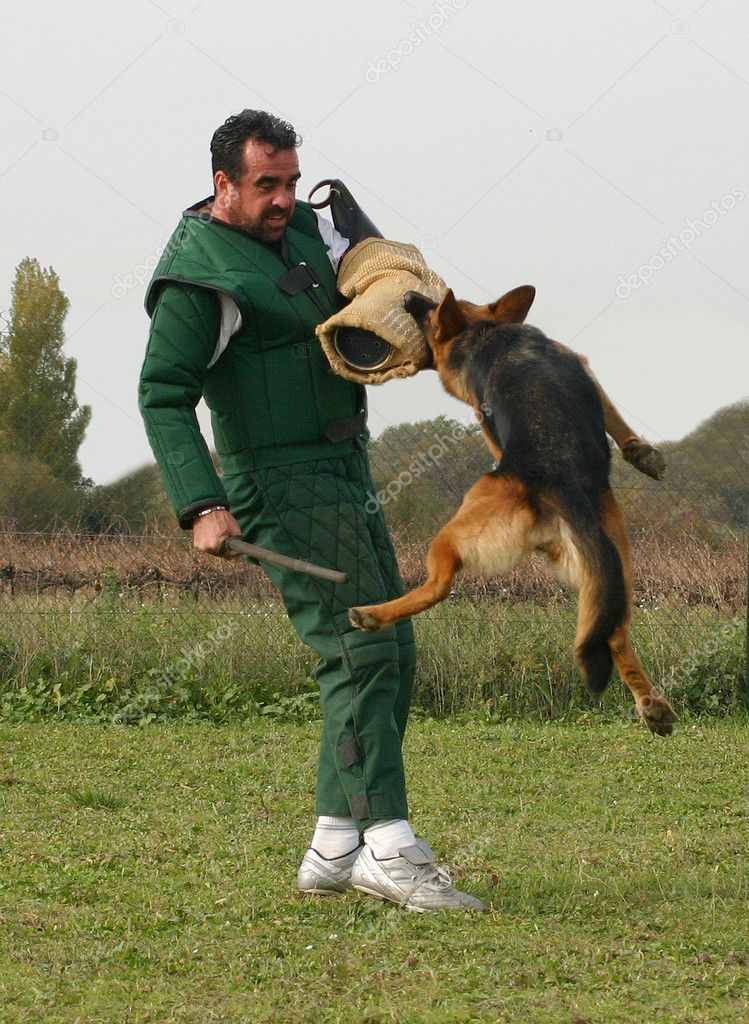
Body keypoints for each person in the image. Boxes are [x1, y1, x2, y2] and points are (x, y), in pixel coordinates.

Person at [138, 109, 485, 912]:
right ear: (223, 184)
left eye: (291, 182)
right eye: (267, 184)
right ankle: (388, 847)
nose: (283, 199)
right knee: (359, 650)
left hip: (343, 468)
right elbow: (161, 394)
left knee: (389, 647)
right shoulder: (198, 277)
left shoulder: (298, 233)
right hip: (276, 481)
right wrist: (201, 503)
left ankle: (334, 846)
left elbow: (370, 261)